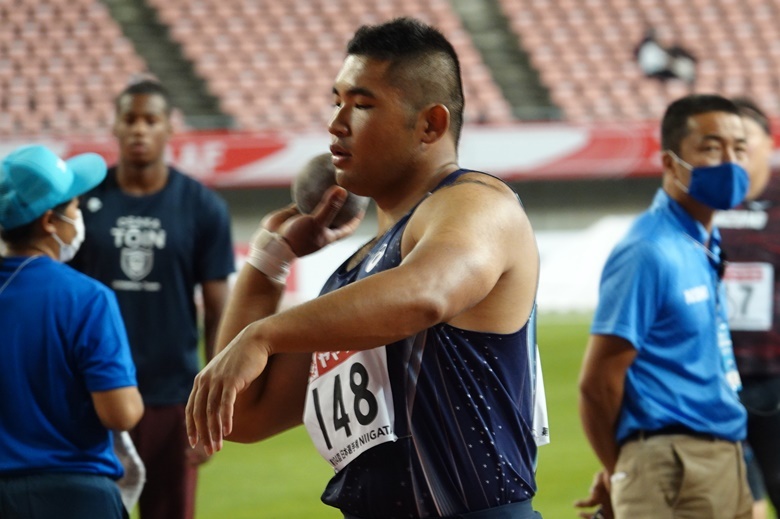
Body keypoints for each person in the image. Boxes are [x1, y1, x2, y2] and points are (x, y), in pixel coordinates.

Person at [186, 17, 544, 519]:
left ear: (430, 125)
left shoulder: (476, 203)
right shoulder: (356, 272)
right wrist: (270, 260)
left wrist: (262, 335)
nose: (336, 123)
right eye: (336, 102)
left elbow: (428, 294)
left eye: (362, 105)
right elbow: (244, 414)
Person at [576, 94, 753, 518]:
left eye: (739, 148)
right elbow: (598, 383)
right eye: (711, 148)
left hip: (724, 457)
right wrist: (627, 473)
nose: (729, 161)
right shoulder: (648, 250)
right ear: (671, 163)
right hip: (675, 465)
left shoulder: (701, 241)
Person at [69, 79, 235, 519]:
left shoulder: (202, 206)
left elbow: (221, 310)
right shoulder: (82, 204)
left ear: (169, 129)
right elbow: (62, 301)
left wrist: (210, 404)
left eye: (150, 120)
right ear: (116, 127)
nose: (139, 129)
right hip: (94, 395)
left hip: (173, 400)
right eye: (130, 119)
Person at [0, 144, 144, 518]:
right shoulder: (88, 298)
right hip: (76, 497)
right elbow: (121, 413)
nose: (78, 217)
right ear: (50, 221)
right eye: (74, 208)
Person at [717, 97, 778, 518]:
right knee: (741, 505)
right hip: (717, 382)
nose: (732, 152)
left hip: (776, 379)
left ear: (767, 142)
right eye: (720, 142)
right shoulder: (702, 207)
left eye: (743, 140)